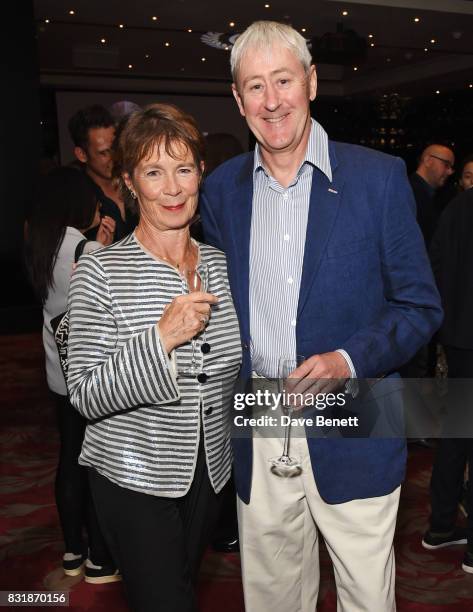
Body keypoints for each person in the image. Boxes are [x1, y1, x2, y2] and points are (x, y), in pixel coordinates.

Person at [200, 21, 442, 612]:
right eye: (254, 87)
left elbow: (420, 306)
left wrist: (347, 359)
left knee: (364, 594)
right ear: (238, 100)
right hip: (259, 416)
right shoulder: (220, 190)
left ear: (310, 82)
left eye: (283, 80)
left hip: (357, 412)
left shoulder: (379, 179)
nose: (271, 100)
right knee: (274, 596)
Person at [66, 103, 242, 612]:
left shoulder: (222, 266)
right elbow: (84, 393)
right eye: (153, 172)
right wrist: (160, 339)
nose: (172, 188)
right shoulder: (101, 270)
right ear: (129, 181)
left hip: (209, 474)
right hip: (133, 477)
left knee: (175, 589)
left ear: (200, 174)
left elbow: (231, 371)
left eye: (183, 169)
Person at [24, 167, 118, 583]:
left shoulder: (39, 243)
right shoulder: (85, 250)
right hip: (88, 372)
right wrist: (104, 247)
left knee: (68, 458)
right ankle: (100, 557)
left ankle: (72, 552)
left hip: (56, 371)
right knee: (95, 461)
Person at [423, 186, 473, 573]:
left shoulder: (457, 206)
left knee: (457, 430)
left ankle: (440, 525)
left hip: (457, 337)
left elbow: (435, 266)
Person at [68, 104, 136, 240]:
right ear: (82, 154)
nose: (114, 157)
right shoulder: (77, 202)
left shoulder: (135, 184)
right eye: (104, 153)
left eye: (115, 148)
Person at [409, 143, 455, 247]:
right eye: (446, 165)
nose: (450, 172)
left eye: (451, 167)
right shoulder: (408, 191)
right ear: (428, 160)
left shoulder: (433, 196)